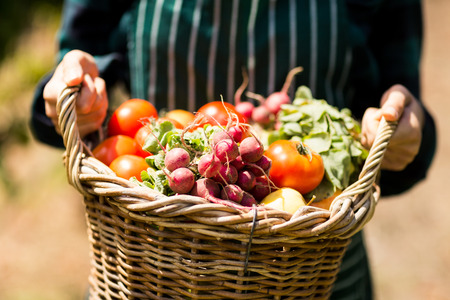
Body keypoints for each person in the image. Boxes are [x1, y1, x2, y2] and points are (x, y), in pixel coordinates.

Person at [30, 0, 436, 299]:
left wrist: (404, 139)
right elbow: (71, 72)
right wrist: (74, 102)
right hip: (150, 267)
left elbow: (402, 106)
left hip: (313, 274)